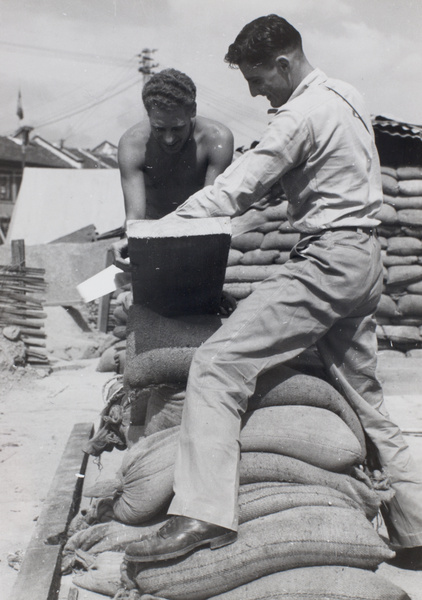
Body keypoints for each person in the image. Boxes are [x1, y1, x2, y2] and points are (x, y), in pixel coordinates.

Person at [124, 15, 422, 569]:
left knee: (215, 365)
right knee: (364, 397)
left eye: (258, 79)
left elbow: (232, 191)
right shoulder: (347, 95)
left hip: (327, 262)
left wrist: (152, 233)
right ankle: (416, 530)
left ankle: (203, 514)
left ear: (284, 64)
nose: (255, 92)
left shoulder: (300, 116)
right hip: (364, 258)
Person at [112, 68, 234, 270]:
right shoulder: (132, 144)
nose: (168, 139)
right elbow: (135, 218)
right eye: (159, 128)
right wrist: (131, 239)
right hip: (150, 238)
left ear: (192, 110)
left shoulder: (217, 139)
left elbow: (211, 211)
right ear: (148, 114)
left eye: (177, 128)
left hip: (200, 234)